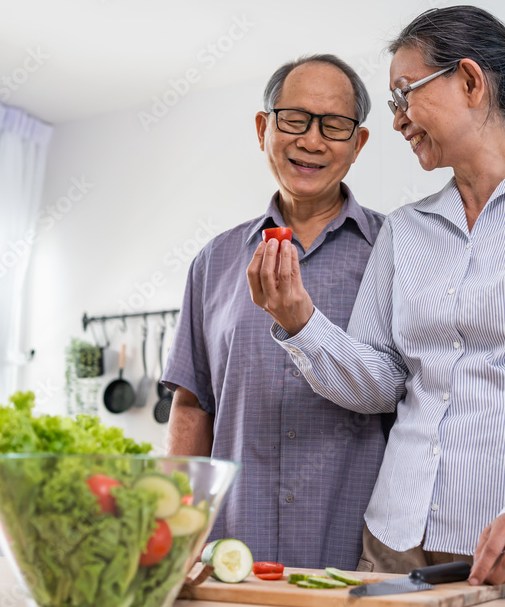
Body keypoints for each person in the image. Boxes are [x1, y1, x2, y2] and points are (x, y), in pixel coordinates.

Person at [247, 6, 505, 593]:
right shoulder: (406, 231)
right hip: (396, 541)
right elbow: (381, 384)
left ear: (470, 81)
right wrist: (299, 322)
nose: (398, 121)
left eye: (405, 95)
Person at [161, 54, 388, 571]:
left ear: (358, 144)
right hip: (232, 550)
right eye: (294, 120)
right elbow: (193, 407)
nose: (312, 141)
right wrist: (176, 525)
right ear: (264, 128)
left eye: (334, 126)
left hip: (359, 552)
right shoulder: (214, 261)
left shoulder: (397, 250)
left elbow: (411, 396)